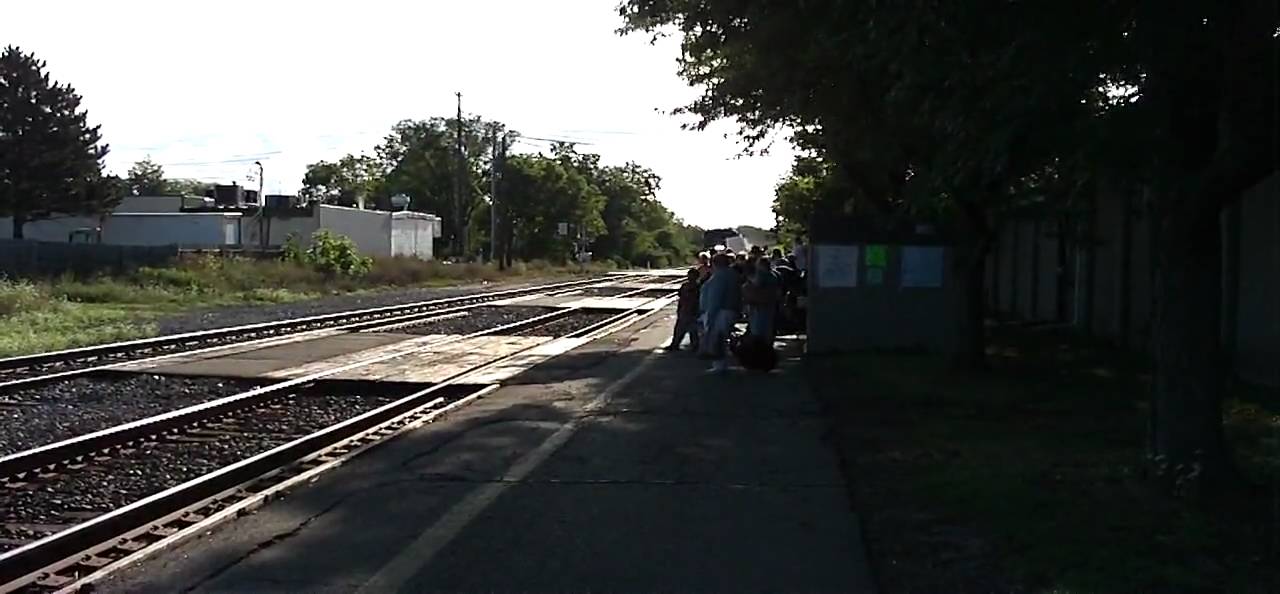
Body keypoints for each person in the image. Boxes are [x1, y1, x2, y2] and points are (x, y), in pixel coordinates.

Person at [698, 253, 741, 373]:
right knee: (721, 338)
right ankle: (720, 364)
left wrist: (710, 316)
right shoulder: (732, 274)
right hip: (729, 310)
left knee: (717, 338)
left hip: (720, 311)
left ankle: (719, 365)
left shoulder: (719, 276)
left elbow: (715, 298)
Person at [746, 256, 781, 343]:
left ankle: (759, 346)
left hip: (759, 303)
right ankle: (767, 345)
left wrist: (749, 280)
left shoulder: (761, 274)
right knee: (768, 326)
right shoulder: (774, 274)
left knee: (758, 327)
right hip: (771, 303)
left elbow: (757, 284)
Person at [666, 268, 702, 351]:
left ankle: (680, 345)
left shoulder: (696, 287)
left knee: (689, 330)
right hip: (687, 310)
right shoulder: (693, 286)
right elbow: (681, 298)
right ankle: (678, 344)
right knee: (685, 329)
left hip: (691, 310)